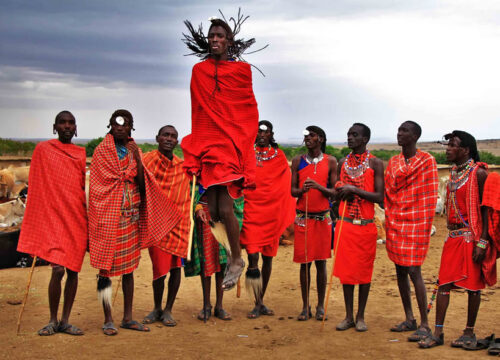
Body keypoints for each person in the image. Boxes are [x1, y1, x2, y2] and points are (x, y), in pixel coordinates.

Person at [181, 16, 260, 290]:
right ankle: (232, 256)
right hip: (207, 142)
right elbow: (197, 109)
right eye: (211, 36)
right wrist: (199, 145)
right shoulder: (198, 70)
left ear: (229, 41)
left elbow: (247, 109)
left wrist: (241, 144)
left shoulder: (241, 71)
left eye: (219, 36)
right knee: (213, 209)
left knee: (226, 207)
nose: (214, 39)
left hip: (231, 143)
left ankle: (237, 259)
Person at [88, 110, 181, 336]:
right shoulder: (101, 152)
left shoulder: (134, 151)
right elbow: (98, 187)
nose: (121, 128)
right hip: (107, 216)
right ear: (110, 125)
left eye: (125, 124)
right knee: (105, 271)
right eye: (117, 124)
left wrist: (137, 160)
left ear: (131, 128)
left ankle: (127, 317)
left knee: (129, 270)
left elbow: (141, 183)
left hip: (130, 217)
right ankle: (108, 318)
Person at [419, 131, 492, 349]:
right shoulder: (453, 173)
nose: (448, 149)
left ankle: (469, 333)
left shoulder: (479, 174)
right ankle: (438, 332)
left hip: (472, 237)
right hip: (453, 237)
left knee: (473, 287)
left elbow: (486, 211)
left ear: (466, 150)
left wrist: (483, 242)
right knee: (444, 284)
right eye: (448, 145)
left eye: (453, 145)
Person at [17, 111, 87, 336]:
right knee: (57, 269)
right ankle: (52, 319)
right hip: (54, 217)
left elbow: (80, 187)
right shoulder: (43, 150)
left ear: (75, 128)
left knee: (73, 271)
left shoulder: (80, 154)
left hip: (76, 217)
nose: (67, 126)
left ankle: (65, 321)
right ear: (55, 126)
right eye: (62, 123)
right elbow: (37, 184)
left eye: (70, 123)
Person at [384, 121, 439, 341]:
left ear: (415, 136)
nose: (399, 134)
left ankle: (425, 324)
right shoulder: (394, 161)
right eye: (398, 130)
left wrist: (418, 218)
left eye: (404, 131)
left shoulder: (427, 161)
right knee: (399, 270)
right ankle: (409, 318)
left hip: (416, 222)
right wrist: (393, 213)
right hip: (396, 220)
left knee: (414, 271)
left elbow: (428, 194)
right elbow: (388, 191)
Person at [240, 120, 296, 319]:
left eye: (266, 131)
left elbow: (285, 183)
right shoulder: (246, 153)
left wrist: (281, 208)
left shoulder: (279, 156)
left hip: (271, 214)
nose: (262, 134)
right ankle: (256, 301)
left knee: (268, 258)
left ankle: (260, 302)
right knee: (253, 257)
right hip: (251, 212)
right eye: (258, 131)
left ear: (271, 134)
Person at [334, 123, 384, 332]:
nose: (350, 138)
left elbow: (380, 197)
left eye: (354, 135)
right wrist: (339, 190)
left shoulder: (375, 163)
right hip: (345, 226)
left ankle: (360, 315)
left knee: (364, 272)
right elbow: (336, 192)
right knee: (346, 273)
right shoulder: (342, 163)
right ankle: (348, 316)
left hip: (365, 226)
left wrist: (354, 189)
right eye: (348, 134)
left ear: (364, 139)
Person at [141, 125, 191, 327]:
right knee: (159, 270)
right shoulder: (147, 162)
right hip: (157, 224)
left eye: (173, 136)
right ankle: (156, 307)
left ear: (177, 142)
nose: (169, 139)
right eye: (166, 135)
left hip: (179, 224)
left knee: (176, 269)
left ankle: (169, 309)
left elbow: (187, 194)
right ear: (157, 138)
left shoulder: (182, 167)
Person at [291, 126, 337, 321]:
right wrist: (302, 190)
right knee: (304, 263)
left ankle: (319, 306)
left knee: (321, 263)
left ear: (321, 139)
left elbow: (335, 192)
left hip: (323, 218)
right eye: (306, 136)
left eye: (312, 135)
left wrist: (319, 187)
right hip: (303, 217)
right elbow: (292, 191)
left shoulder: (331, 161)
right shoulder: (297, 161)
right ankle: (305, 306)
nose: (308, 138)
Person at [184, 189, 244, 321]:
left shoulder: (226, 169)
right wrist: (197, 207)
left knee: (222, 261)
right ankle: (206, 305)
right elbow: (191, 187)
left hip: (225, 215)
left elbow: (237, 189)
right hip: (205, 211)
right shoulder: (200, 168)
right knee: (206, 259)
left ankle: (219, 306)